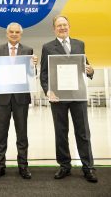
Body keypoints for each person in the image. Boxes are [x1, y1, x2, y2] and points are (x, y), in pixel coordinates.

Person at [40, 15, 98, 183]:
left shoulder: (79, 44)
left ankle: (88, 167)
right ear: (54, 29)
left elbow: (84, 65)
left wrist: (91, 71)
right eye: (59, 25)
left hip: (78, 95)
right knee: (61, 133)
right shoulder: (48, 47)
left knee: (83, 132)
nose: (62, 28)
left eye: (65, 25)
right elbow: (44, 74)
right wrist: (47, 91)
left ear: (69, 26)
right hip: (58, 97)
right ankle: (64, 166)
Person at [0, 22, 37, 180]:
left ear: (20, 34)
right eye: (11, 32)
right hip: (2, 98)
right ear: (6, 33)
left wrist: (34, 65)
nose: (14, 34)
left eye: (17, 32)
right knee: (1, 134)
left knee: (22, 134)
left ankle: (23, 167)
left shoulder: (28, 51)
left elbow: (30, 74)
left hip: (21, 98)